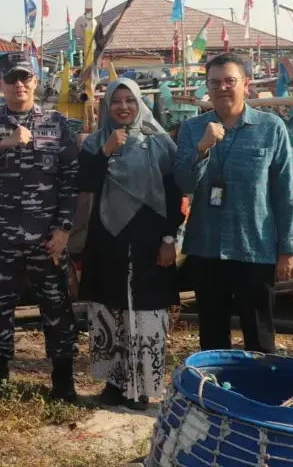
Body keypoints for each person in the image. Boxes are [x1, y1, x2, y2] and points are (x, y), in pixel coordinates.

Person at [0, 52, 80, 401]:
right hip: (1, 236)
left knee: (57, 308)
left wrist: (63, 230)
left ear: (34, 83)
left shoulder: (57, 124)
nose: (19, 85)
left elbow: (71, 181)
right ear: (1, 84)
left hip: (47, 238)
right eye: (12, 79)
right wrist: (5, 143)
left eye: (25, 78)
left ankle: (63, 381)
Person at [174, 52, 293, 354]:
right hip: (206, 247)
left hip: (255, 248)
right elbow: (183, 185)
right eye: (214, 83)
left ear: (246, 84)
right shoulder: (192, 129)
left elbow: (285, 192)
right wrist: (202, 148)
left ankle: (261, 394)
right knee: (212, 335)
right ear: (207, 87)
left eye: (230, 81)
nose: (222, 88)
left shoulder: (271, 128)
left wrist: (288, 249)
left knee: (259, 336)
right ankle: (216, 396)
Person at [79, 78, 183, 410]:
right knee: (109, 311)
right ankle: (112, 384)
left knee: (146, 313)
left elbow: (174, 195)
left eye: (130, 100)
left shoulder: (160, 143)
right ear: (107, 107)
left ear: (140, 104)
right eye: (116, 101)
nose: (123, 107)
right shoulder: (96, 142)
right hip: (107, 240)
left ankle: (142, 388)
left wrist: (170, 239)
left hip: (149, 241)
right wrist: (106, 151)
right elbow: (85, 184)